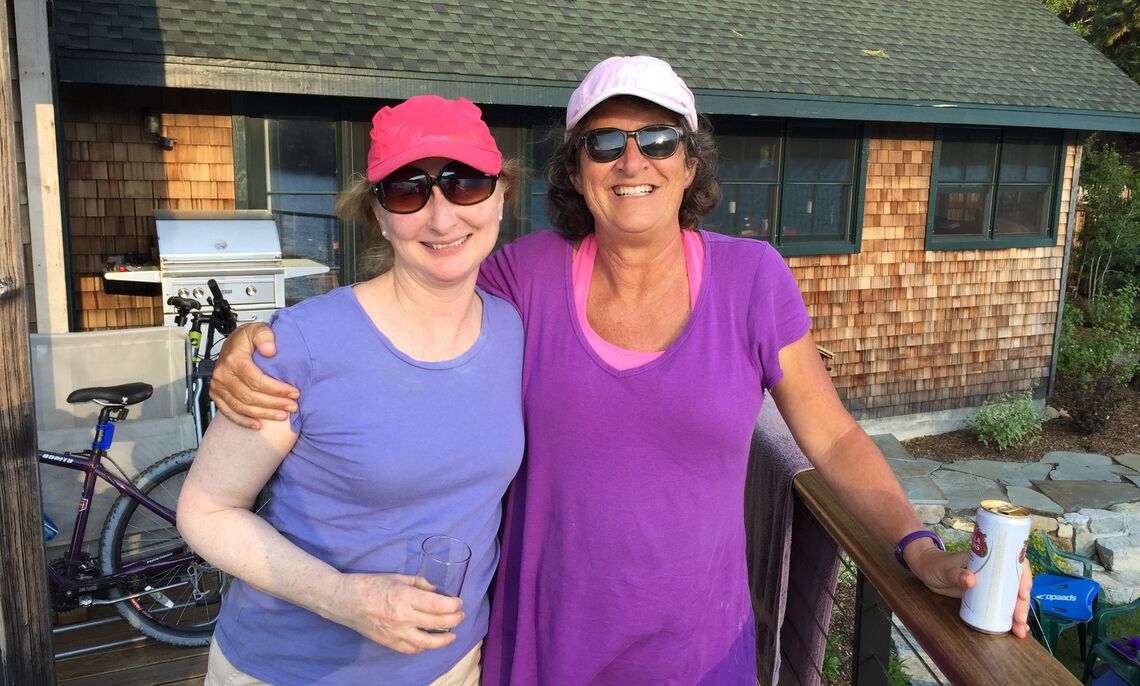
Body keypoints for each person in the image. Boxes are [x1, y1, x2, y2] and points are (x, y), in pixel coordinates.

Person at [208, 56, 1032, 685]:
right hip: (542, 641)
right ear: (575, 169)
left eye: (657, 138)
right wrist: (261, 337)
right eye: (605, 142)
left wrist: (919, 551)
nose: (631, 161)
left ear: (689, 160)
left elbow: (833, 436)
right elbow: (419, 281)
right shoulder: (524, 273)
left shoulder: (752, 279)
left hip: (698, 644)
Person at [176, 94, 524, 686]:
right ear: (379, 215)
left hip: (453, 665)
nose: (441, 219)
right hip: (294, 670)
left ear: (501, 198)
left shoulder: (514, 327)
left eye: (465, 184)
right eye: (408, 191)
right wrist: (342, 597)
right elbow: (206, 511)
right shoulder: (300, 346)